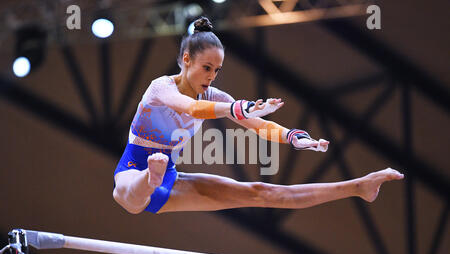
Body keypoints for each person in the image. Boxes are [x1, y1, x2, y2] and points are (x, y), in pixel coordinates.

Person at [113, 17, 404, 215]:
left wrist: (293, 137)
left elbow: (261, 127)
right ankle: (150, 178)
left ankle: (359, 187)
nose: (212, 76)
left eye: (217, 70)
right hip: (133, 167)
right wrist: (236, 108)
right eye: (207, 67)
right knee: (130, 197)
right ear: (187, 59)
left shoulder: (215, 97)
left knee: (262, 192)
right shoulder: (160, 88)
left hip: (171, 177)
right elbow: (189, 108)